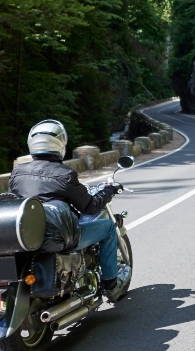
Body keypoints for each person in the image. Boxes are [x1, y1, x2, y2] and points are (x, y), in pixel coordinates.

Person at [10, 119, 124, 297]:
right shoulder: (64, 174)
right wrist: (109, 190)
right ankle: (111, 285)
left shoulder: (17, 173)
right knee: (108, 227)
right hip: (57, 236)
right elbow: (90, 207)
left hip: (24, 235)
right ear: (60, 145)